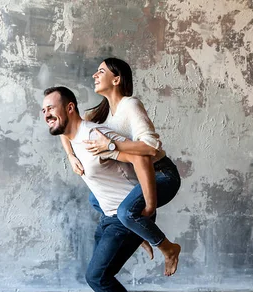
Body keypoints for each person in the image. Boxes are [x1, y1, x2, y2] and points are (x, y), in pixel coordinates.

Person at [42, 86, 158, 292]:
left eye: (51, 108)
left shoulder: (96, 136)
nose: (46, 113)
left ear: (70, 107)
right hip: (108, 216)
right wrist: (69, 155)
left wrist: (147, 211)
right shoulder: (73, 134)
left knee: (97, 276)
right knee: (101, 279)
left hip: (126, 216)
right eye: (43, 109)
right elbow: (66, 136)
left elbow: (143, 158)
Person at [59, 57, 181, 276]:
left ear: (116, 79)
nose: (94, 75)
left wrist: (111, 144)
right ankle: (136, 231)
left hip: (161, 174)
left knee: (126, 212)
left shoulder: (130, 104)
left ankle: (168, 248)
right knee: (95, 199)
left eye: (101, 71)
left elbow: (151, 147)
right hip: (137, 176)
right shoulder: (98, 114)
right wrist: (70, 156)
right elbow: (66, 127)